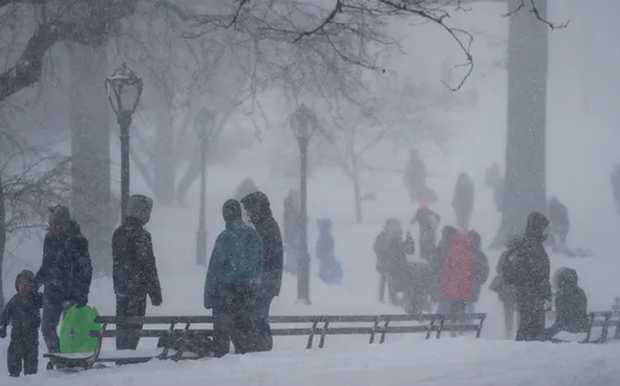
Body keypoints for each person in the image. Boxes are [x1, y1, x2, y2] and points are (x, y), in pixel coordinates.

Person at [204, 199, 264, 357]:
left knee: (221, 339)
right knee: (244, 337)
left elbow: (214, 270)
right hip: (246, 294)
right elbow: (259, 266)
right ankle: (244, 367)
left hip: (224, 294)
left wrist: (209, 295)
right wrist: (253, 289)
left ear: (225, 216)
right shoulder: (254, 236)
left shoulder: (224, 238)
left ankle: (222, 369)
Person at [35, 205, 92, 354]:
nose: (54, 226)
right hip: (52, 291)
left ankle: (71, 356)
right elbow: (46, 264)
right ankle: (57, 356)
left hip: (72, 293)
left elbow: (86, 270)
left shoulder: (79, 241)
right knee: (47, 328)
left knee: (71, 330)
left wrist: (83, 292)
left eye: (57, 223)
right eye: (52, 223)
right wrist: (36, 282)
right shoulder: (49, 239)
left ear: (66, 222)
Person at [112, 194, 162, 351]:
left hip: (122, 290)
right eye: (148, 210)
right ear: (139, 212)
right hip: (137, 291)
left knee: (123, 327)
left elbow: (120, 264)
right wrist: (155, 293)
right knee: (134, 328)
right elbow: (148, 266)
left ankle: (122, 357)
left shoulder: (119, 233)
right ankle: (126, 358)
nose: (149, 214)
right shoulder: (142, 236)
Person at [240, 191, 283, 352]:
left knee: (258, 316)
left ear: (256, 208)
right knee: (257, 316)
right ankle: (258, 346)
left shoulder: (266, 227)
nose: (248, 214)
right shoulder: (266, 225)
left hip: (265, 282)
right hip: (266, 282)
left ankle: (261, 348)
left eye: (249, 209)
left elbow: (262, 256)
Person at [502, 211, 552, 342]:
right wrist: (544, 293)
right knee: (531, 335)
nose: (546, 231)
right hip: (532, 297)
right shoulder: (531, 246)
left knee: (528, 334)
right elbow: (538, 274)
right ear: (539, 228)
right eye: (544, 228)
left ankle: (524, 358)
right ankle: (523, 359)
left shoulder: (531, 245)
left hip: (530, 297)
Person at [0, 271, 43, 377]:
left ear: (32, 286)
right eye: (21, 284)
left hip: (32, 337)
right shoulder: (14, 301)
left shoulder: (36, 298)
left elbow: (50, 301)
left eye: (27, 284)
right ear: (17, 286)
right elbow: (5, 315)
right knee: (14, 357)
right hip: (17, 336)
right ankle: (14, 376)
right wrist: (3, 326)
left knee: (31, 361)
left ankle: (30, 378)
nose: (24, 287)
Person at [373, 219, 415, 305]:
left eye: (396, 226)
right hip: (386, 265)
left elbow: (409, 250)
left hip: (395, 266)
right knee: (385, 280)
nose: (395, 228)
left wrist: (409, 240)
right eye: (393, 225)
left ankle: (394, 300)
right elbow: (377, 248)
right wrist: (384, 253)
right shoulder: (383, 236)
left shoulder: (398, 239)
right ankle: (383, 301)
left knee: (395, 281)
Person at [438, 228, 477, 316]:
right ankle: (462, 325)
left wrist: (444, 285)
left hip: (453, 287)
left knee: (453, 310)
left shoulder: (453, 251)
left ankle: (453, 326)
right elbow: (473, 271)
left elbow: (447, 271)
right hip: (465, 287)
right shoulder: (469, 252)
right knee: (462, 308)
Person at [544, 267, 589, 340]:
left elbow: (561, 319)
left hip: (570, 327)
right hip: (582, 326)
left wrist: (548, 332)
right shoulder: (580, 292)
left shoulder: (561, 294)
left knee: (542, 334)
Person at [492, 235, 522, 339]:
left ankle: (508, 332)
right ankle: (519, 331)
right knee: (519, 311)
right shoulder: (523, 255)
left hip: (507, 288)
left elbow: (499, 269)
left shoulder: (504, 255)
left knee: (508, 312)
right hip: (519, 289)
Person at [467, 230, 490, 313]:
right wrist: (480, 280)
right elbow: (486, 269)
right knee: (470, 306)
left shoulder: (462, 253)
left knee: (462, 306)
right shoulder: (480, 255)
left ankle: (462, 322)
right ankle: (468, 322)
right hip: (474, 285)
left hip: (463, 285)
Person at [315, 218, 343, 285]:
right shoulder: (326, 236)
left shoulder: (323, 236)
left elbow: (320, 249)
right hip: (327, 258)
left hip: (326, 259)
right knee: (330, 268)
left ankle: (329, 280)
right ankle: (331, 280)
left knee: (328, 269)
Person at [283, 189, 304, 275]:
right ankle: (293, 268)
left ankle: (292, 267)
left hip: (292, 235)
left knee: (292, 252)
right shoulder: (293, 211)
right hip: (293, 235)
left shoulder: (289, 211)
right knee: (293, 252)